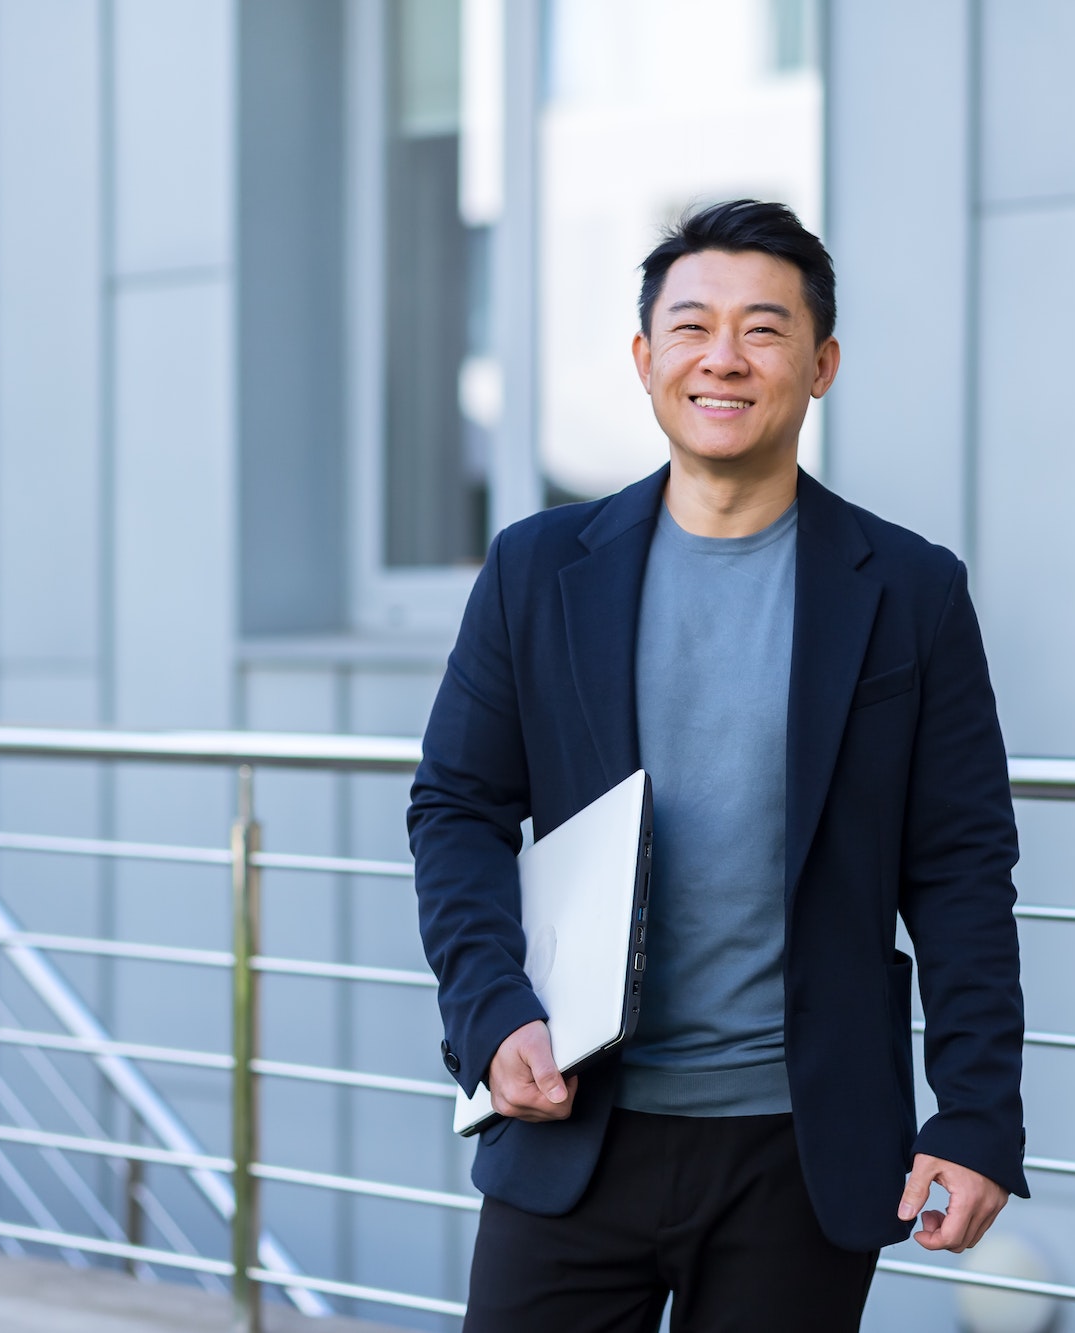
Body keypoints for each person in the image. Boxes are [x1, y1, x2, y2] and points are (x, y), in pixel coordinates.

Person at [409, 199, 1026, 1333]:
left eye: (763, 329)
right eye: (690, 328)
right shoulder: (537, 570)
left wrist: (977, 1112)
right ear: (646, 360)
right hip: (576, 1130)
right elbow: (455, 806)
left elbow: (959, 869)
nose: (723, 359)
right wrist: (491, 1013)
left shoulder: (908, 592)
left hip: (801, 1147)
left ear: (820, 363)